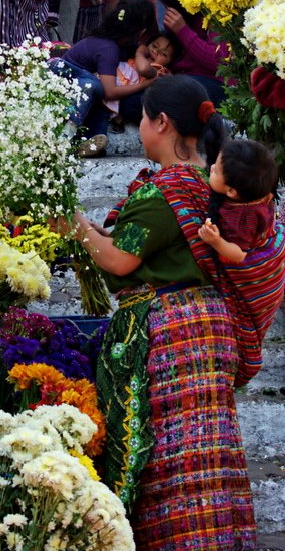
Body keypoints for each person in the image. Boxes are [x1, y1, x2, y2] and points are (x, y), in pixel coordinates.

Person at [53, 75, 259, 549]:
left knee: (173, 459)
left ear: (162, 122)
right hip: (207, 327)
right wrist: (79, 223)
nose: (140, 127)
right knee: (208, 455)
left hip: (172, 334)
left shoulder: (162, 191)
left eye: (143, 117)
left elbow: (120, 260)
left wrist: (72, 228)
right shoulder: (209, 184)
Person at [50, 0, 156, 155]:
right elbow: (110, 92)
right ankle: (66, 137)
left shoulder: (116, 44)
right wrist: (143, 84)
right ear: (141, 32)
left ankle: (87, 143)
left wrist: (141, 52)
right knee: (95, 86)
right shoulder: (108, 49)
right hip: (68, 83)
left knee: (101, 108)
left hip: (88, 92)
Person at [153, 0, 228, 105]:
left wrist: (182, 31)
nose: (167, 10)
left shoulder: (218, 11)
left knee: (177, 91)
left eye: (169, 5)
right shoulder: (180, 17)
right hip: (182, 79)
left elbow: (219, 63)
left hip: (215, 85)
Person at [198, 138, 278, 264]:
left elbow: (239, 254)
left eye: (216, 171)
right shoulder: (256, 192)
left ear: (231, 191)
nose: (212, 167)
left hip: (254, 276)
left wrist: (216, 241)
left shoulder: (242, 219)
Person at [104, 30, 179, 131]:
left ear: (169, 64)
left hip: (117, 94)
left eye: (164, 54)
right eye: (154, 46)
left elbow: (143, 68)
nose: (155, 52)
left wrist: (140, 52)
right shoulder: (133, 57)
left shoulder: (158, 71)